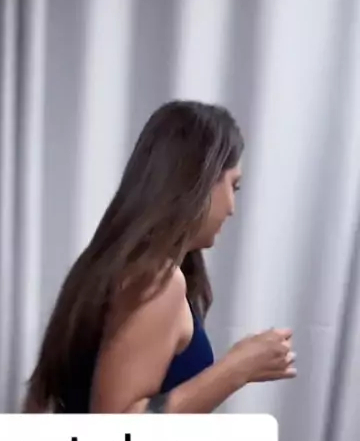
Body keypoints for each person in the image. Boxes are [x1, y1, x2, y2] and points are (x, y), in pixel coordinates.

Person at [23, 100, 296, 415]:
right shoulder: (158, 280)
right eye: (233, 186)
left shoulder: (106, 264)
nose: (232, 208)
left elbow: (45, 398)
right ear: (200, 180)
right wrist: (236, 369)